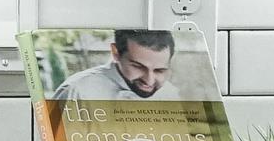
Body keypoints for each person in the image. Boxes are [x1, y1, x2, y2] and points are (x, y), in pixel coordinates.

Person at [53, 29, 181, 102]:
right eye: (138, 66)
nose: (149, 81)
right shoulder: (77, 92)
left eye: (159, 70)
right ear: (115, 53)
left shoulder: (170, 94)